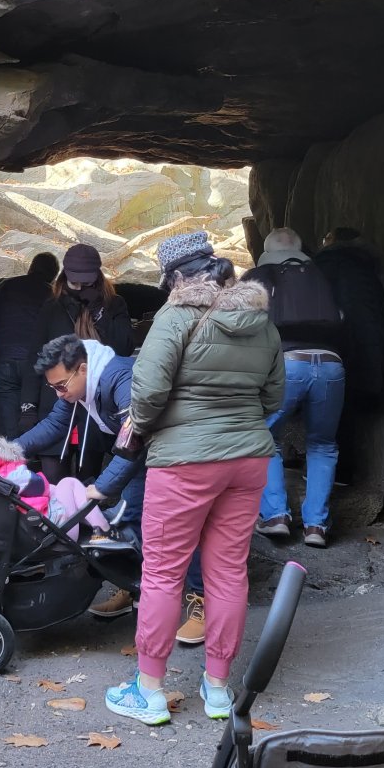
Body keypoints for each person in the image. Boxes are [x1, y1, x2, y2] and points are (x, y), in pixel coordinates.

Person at [105, 231, 282, 726]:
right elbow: (274, 397)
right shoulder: (261, 322)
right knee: (228, 571)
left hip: (184, 462)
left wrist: (144, 425)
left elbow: (147, 392)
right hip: (248, 460)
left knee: (164, 572)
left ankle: (148, 691)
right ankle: (219, 689)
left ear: (175, 278)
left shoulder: (175, 316)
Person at [17, 334, 146, 601]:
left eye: (61, 386)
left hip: (162, 454)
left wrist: (101, 488)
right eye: (52, 387)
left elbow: (135, 440)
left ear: (83, 369)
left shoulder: (121, 379)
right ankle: (135, 591)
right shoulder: (80, 381)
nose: (59, 394)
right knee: (131, 521)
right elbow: (55, 424)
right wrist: (9, 449)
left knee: (141, 523)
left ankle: (177, 598)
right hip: (140, 454)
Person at [244, 227, 346, 548]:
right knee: (323, 444)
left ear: (266, 251)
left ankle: (275, 516)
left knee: (264, 439)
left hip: (286, 363)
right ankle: (316, 525)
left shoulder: (258, 276)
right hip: (331, 364)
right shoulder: (320, 274)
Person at [18, 243, 133, 481]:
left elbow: (123, 349)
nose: (80, 287)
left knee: (88, 474)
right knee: (52, 475)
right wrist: (28, 405)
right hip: (58, 395)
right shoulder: (53, 306)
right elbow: (36, 356)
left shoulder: (114, 305)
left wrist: (98, 312)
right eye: (75, 281)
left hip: (94, 403)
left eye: (86, 282)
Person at [314, 227, 384, 484]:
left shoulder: (324, 265)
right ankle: (342, 470)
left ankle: (331, 471)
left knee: (327, 410)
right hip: (368, 344)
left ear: (331, 241)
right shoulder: (366, 267)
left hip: (335, 345)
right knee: (346, 407)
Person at [0, 252, 59, 436]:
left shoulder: (4, 286)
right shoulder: (53, 294)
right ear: (53, 275)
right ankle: (34, 454)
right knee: (38, 425)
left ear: (31, 268)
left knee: (9, 430)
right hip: (37, 365)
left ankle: (11, 453)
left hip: (4, 360)